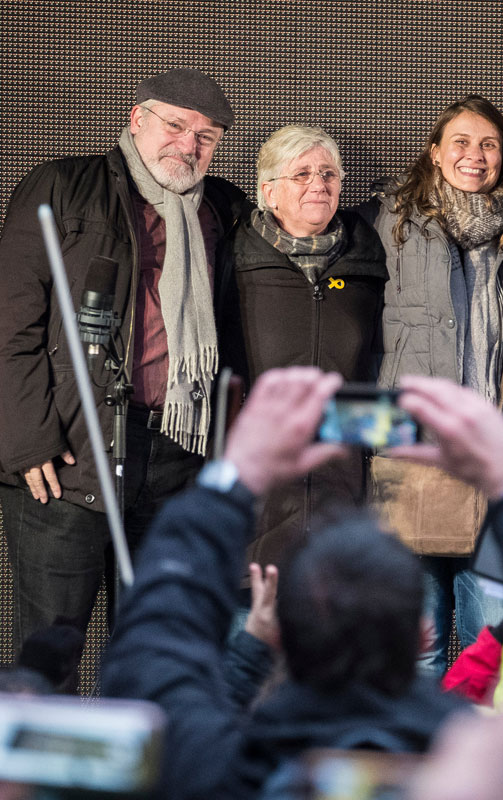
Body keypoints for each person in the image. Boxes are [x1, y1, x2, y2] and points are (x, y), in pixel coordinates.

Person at [100, 368, 503, 799]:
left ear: (281, 637)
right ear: (424, 634)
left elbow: (156, 640)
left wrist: (236, 476)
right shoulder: (497, 774)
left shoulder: (208, 770)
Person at [0, 69, 246, 648]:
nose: (189, 145)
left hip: (178, 456)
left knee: (151, 650)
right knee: (50, 648)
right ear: (137, 119)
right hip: (70, 453)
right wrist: (29, 442)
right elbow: (10, 329)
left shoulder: (224, 211)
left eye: (206, 136)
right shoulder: (61, 187)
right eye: (177, 125)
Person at [358, 95, 503, 673]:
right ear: (434, 152)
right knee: (416, 645)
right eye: (460, 142)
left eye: (489, 144)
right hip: (412, 455)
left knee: (490, 647)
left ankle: (481, 763)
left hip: (494, 456)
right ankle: (416, 763)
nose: (474, 156)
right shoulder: (389, 223)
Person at [220, 124, 387, 568]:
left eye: (329, 174)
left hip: (341, 499)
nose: (319, 184)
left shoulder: (368, 262)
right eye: (302, 174)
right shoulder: (231, 259)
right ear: (268, 192)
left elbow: (375, 369)